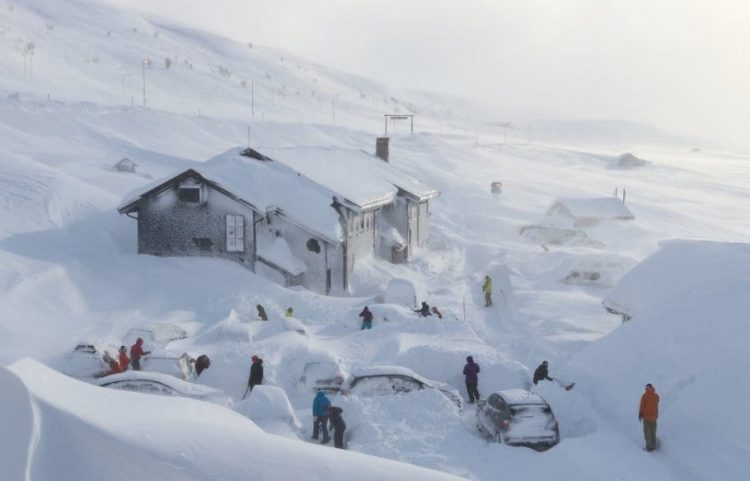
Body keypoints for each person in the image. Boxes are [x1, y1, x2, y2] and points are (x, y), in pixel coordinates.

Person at [639, 383, 660, 451]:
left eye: (646, 387)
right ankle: (654, 445)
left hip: (646, 417)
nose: (645, 388)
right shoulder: (656, 396)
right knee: (653, 432)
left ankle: (649, 446)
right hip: (654, 417)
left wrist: (640, 414)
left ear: (647, 388)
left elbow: (642, 405)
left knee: (647, 432)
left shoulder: (645, 396)